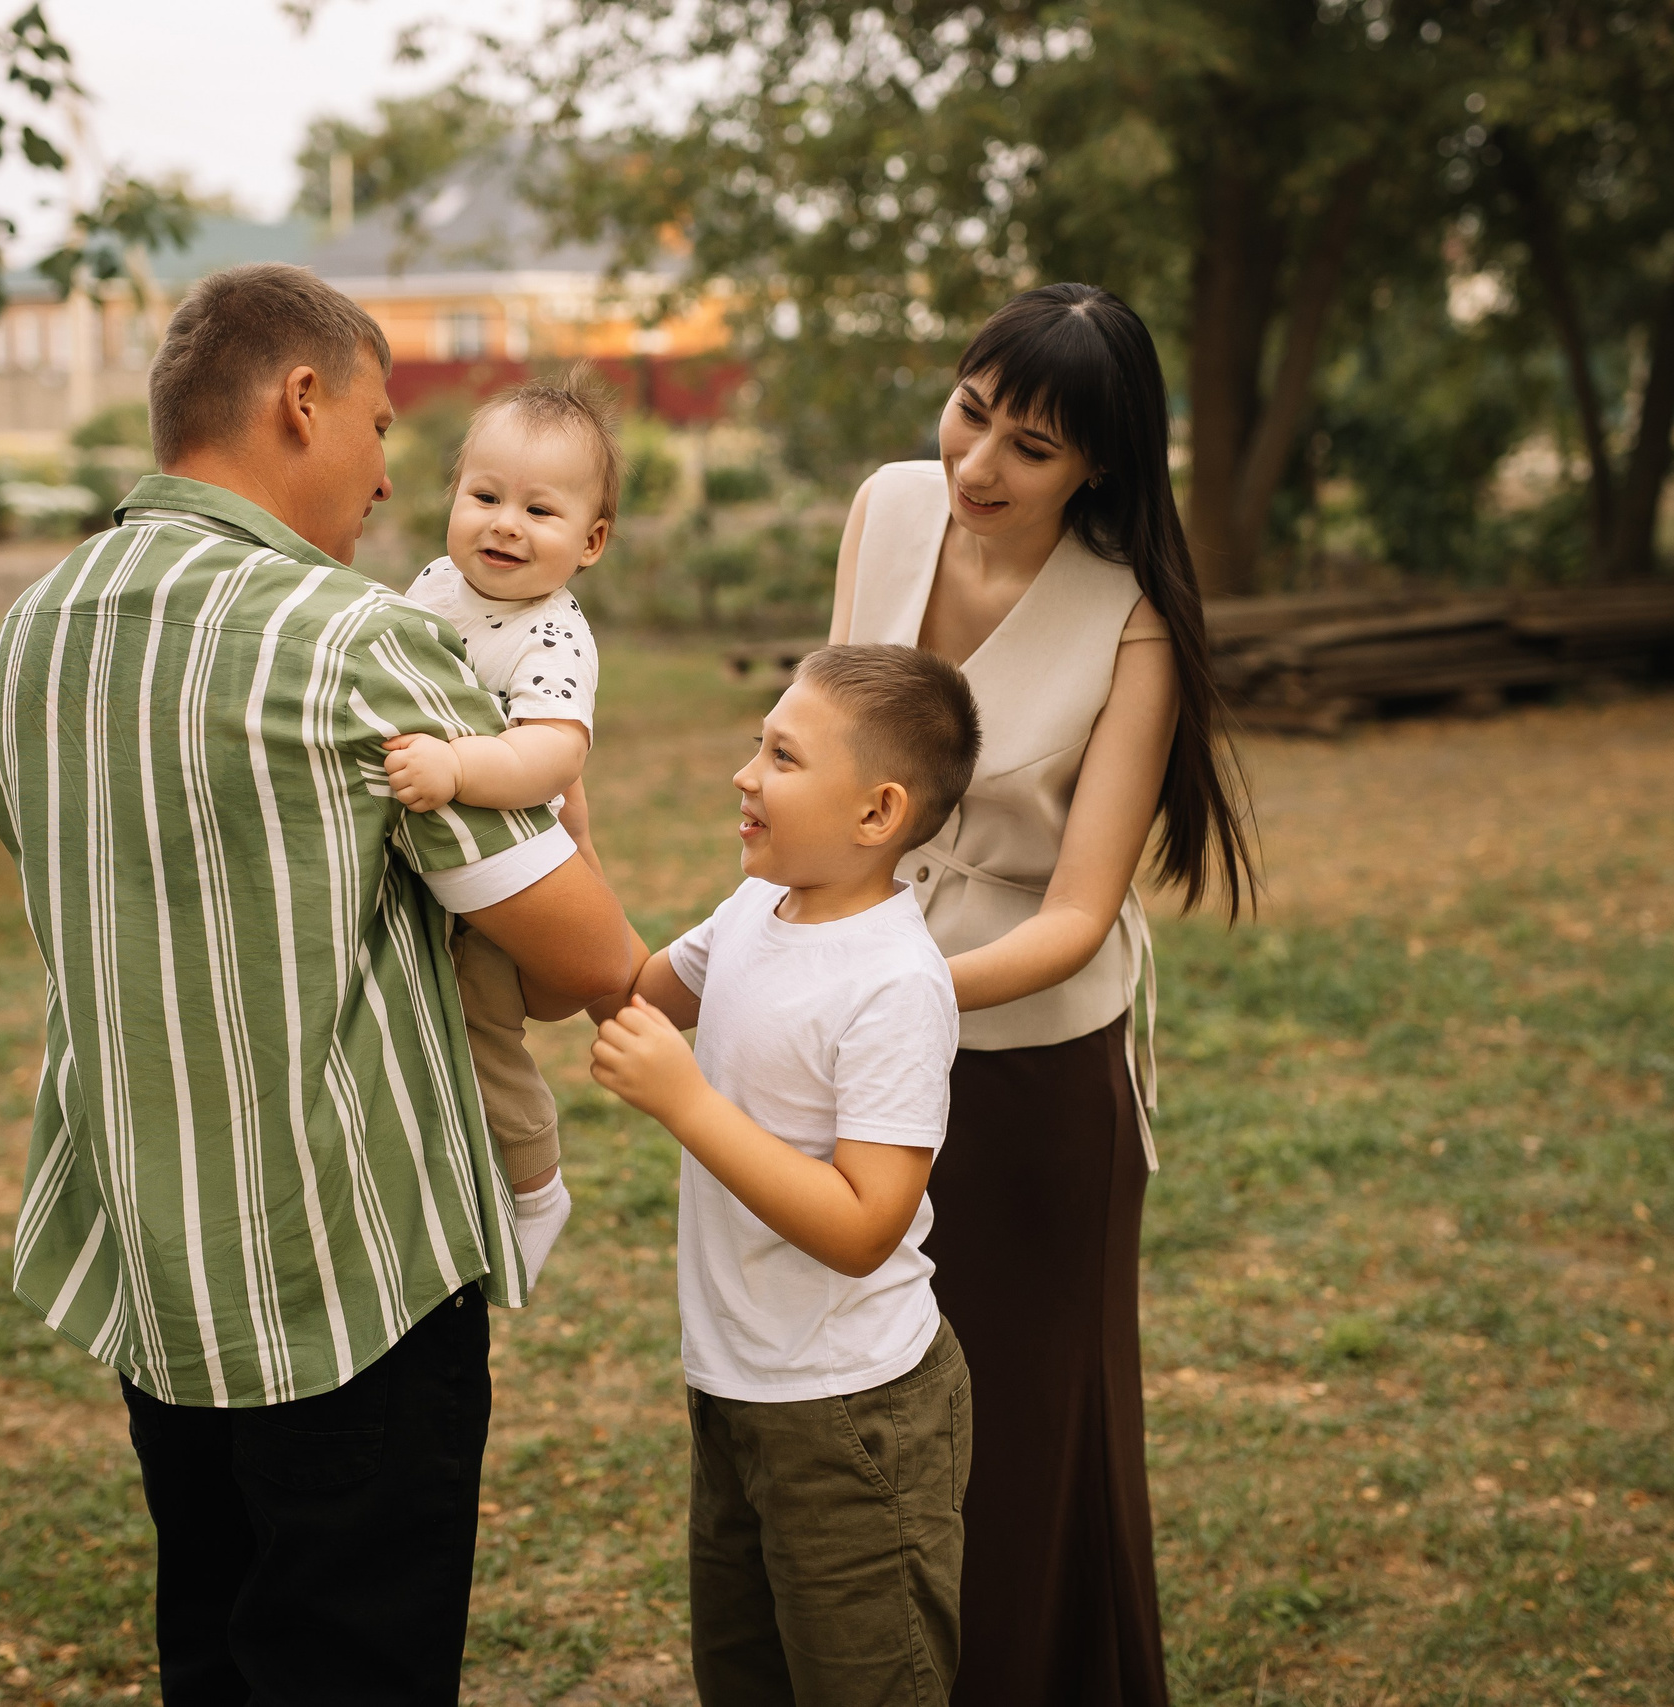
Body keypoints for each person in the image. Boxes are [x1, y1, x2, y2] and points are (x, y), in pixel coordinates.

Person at [0, 262, 639, 1706]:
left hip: (155, 1253)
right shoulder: (351, 638)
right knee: (351, 1660)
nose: (394, 479)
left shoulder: (33, 633)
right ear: (302, 399)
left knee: (213, 1639)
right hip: (350, 1267)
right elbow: (579, 953)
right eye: (386, 428)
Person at [827, 284, 1255, 1707]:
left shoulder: (1131, 625)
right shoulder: (888, 508)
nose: (978, 464)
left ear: (1100, 469)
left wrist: (891, 988)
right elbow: (838, 758)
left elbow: (1077, 914)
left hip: (1028, 1070)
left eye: (1032, 444)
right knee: (866, 1417)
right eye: (971, 410)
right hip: (871, 1013)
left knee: (1018, 1434)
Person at [590, 643, 982, 1707]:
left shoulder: (893, 984)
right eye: (757, 744)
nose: (744, 774)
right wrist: (563, 835)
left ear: (875, 813)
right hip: (735, 1390)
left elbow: (864, 1228)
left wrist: (686, 1104)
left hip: (854, 1418)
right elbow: (630, 988)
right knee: (746, 1678)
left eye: (781, 755)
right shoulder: (753, 913)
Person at [383, 365, 621, 1290]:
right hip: (430, 866)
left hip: (509, 885)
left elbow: (552, 757)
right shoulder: (437, 583)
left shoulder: (554, 635)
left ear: (591, 540)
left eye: (540, 510)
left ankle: (534, 1182)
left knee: (484, 1030)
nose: (503, 524)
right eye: (484, 495)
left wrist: (455, 768)